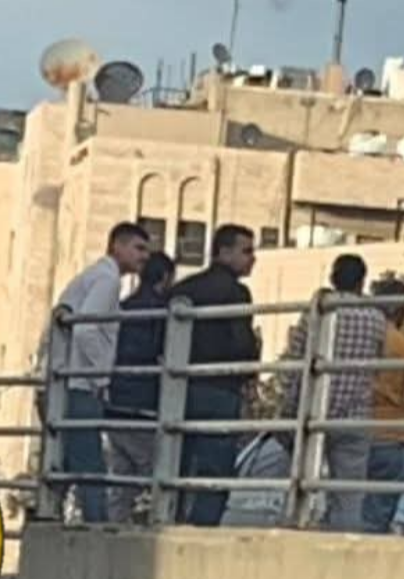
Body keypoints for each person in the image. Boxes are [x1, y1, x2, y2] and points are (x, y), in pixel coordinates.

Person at [49, 222, 153, 524]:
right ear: (116, 246)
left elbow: (69, 318)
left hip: (65, 379)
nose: (144, 256)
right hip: (81, 384)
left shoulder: (90, 277)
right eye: (138, 248)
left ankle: (46, 512)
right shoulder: (107, 281)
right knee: (90, 464)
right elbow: (85, 329)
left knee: (67, 459)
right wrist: (100, 375)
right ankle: (97, 527)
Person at [280, 255, 389, 530]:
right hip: (355, 414)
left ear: (333, 278)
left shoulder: (317, 313)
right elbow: (378, 365)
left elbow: (296, 363)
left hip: (313, 413)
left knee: (300, 484)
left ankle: (296, 530)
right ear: (362, 281)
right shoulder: (376, 318)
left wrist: (289, 409)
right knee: (348, 493)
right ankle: (344, 540)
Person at [166, 225, 260, 526]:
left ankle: (169, 519)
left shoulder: (183, 289)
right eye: (246, 251)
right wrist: (250, 368)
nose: (253, 258)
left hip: (180, 387)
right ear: (224, 251)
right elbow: (242, 343)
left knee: (175, 462)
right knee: (215, 469)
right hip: (221, 387)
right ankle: (203, 526)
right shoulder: (236, 292)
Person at [104, 252, 178, 520]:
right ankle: (157, 523)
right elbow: (165, 351)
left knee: (121, 476)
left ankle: (113, 528)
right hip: (144, 405)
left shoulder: (123, 308)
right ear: (165, 278)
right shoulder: (163, 312)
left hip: (116, 402)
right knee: (154, 471)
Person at [360, 275, 404, 535]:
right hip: (391, 436)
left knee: (345, 506)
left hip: (354, 433)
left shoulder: (359, 341)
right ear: (400, 309)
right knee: (378, 516)